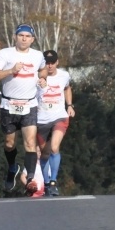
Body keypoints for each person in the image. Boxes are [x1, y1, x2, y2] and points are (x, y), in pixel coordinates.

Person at [0, 24, 47, 194]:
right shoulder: (5, 53)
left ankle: (30, 178)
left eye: (27, 36)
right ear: (15, 37)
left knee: (30, 143)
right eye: (21, 35)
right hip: (9, 104)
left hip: (29, 104)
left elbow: (43, 69)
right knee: (9, 144)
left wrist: (43, 78)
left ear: (32, 39)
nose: (24, 39)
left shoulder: (37, 55)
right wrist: (11, 70)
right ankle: (12, 167)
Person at [37, 49, 75, 196]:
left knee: (54, 147)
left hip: (59, 117)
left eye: (52, 62)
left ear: (57, 62)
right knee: (44, 153)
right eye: (47, 63)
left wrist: (69, 105)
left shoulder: (64, 75)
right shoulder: (36, 77)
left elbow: (67, 88)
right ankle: (46, 183)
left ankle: (53, 182)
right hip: (41, 119)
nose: (50, 66)